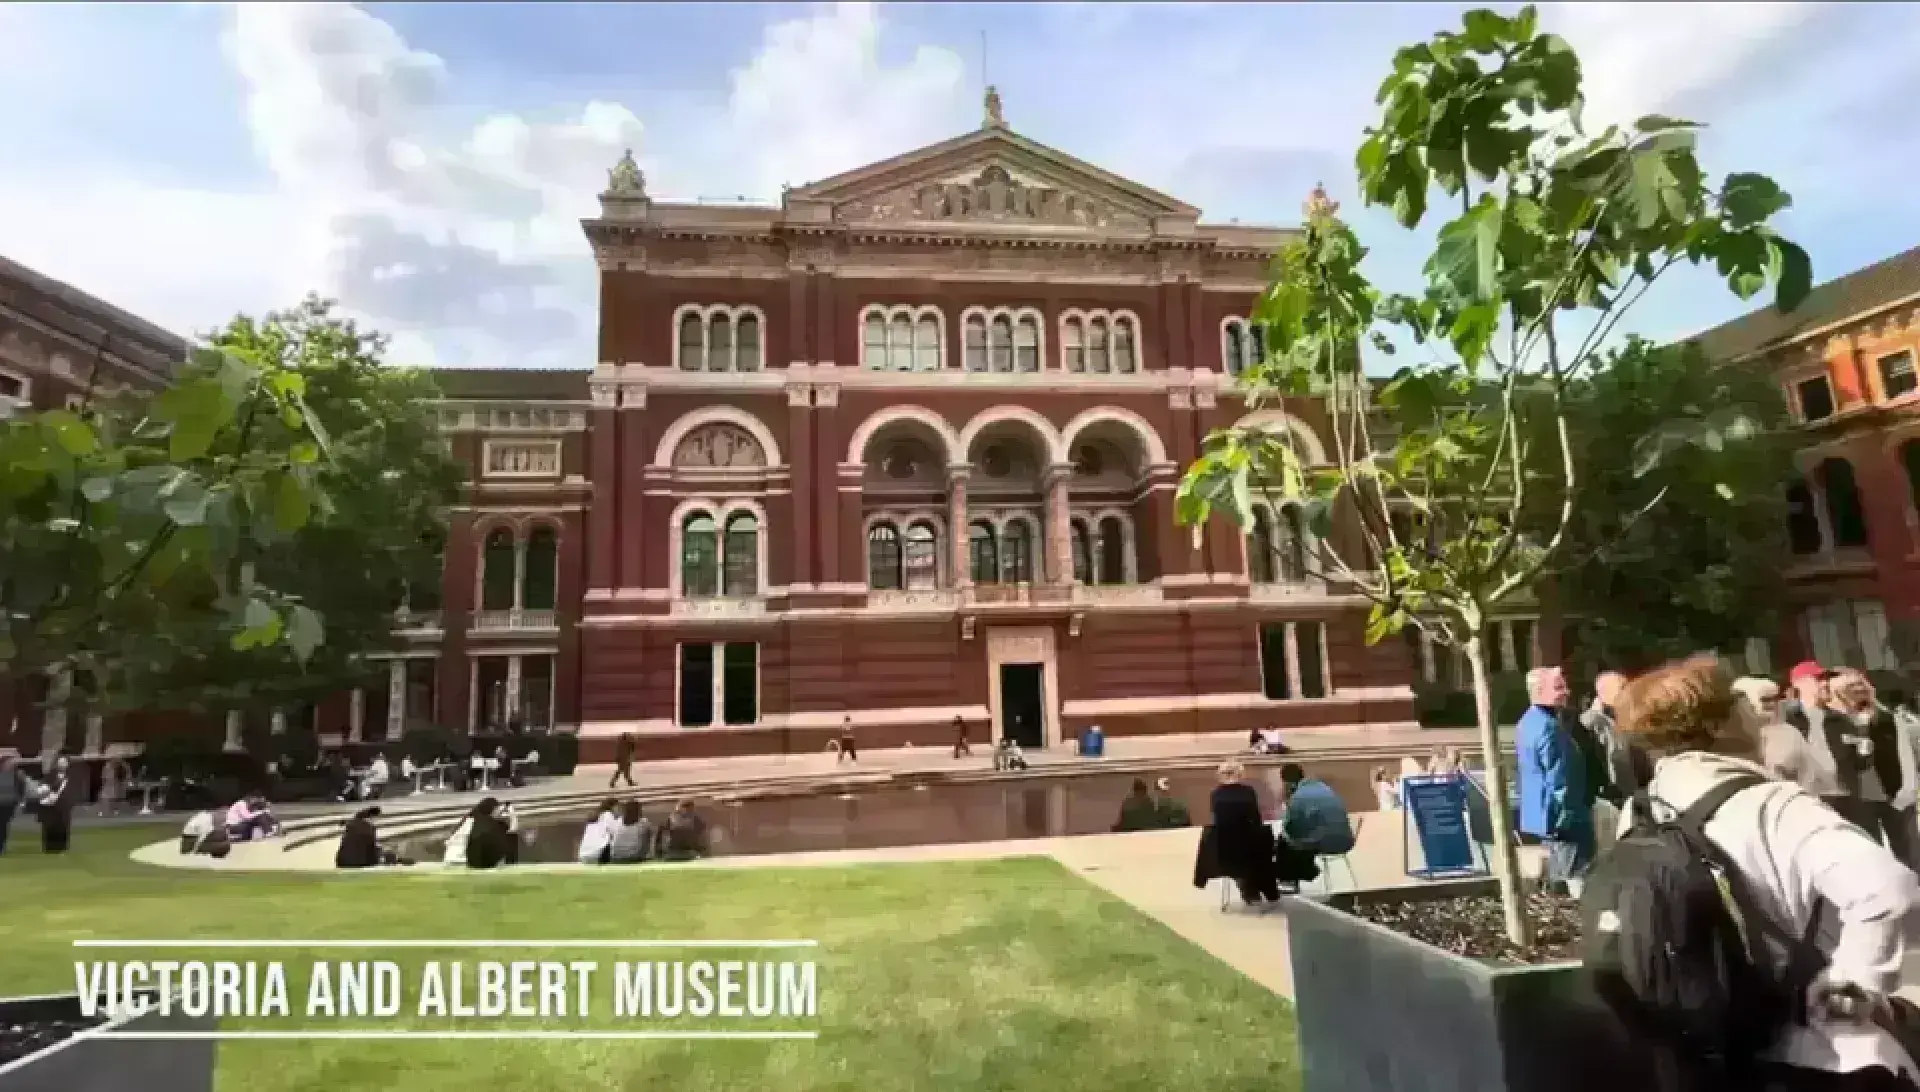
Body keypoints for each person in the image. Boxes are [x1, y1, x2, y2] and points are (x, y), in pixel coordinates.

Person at [1604, 654, 1920, 1090]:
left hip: (1707, 1052)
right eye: (1740, 703)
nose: (1752, 714)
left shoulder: (1640, 809)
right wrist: (1856, 984)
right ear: (1718, 725)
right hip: (1811, 1053)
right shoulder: (1773, 804)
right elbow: (1887, 887)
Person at [1826, 670, 1917, 871]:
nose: (1858, 691)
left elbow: (1900, 751)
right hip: (1860, 797)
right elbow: (1845, 758)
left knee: (1907, 851)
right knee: (1872, 852)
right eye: (1850, 688)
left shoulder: (1885, 718)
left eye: (1861, 685)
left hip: (1893, 793)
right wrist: (1860, 728)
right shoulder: (1833, 722)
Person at [1517, 665, 1594, 897]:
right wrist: (1568, 815)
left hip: (1542, 814)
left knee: (1560, 871)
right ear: (1540, 691)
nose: (1567, 691)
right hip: (1562, 816)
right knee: (1576, 873)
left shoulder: (1527, 722)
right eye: (1559, 687)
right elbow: (1560, 778)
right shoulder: (1549, 728)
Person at [1199, 760, 1286, 906]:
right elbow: (1256, 819)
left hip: (1225, 849)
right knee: (1265, 843)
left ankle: (1247, 887)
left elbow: (1217, 819)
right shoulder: (1248, 792)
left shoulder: (1215, 794)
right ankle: (1264, 889)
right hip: (1248, 847)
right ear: (1240, 774)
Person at [1277, 763, 1354, 884]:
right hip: (1346, 840)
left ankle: (1290, 880)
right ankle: (1308, 871)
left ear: (1287, 782)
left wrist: (1288, 805)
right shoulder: (1324, 788)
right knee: (1308, 836)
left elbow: (1291, 828)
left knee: (1285, 841)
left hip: (1326, 842)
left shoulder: (1299, 797)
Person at [1581, 671, 1634, 804]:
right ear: (1605, 692)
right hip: (1607, 797)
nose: (1627, 693)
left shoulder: (1617, 719)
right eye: (1622, 688)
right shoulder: (1591, 721)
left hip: (1624, 794)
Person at [447, 798, 517, 869]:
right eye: (497, 809)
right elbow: (512, 833)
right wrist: (513, 815)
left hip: (452, 858)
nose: (500, 812)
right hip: (462, 861)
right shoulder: (485, 824)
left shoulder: (471, 819)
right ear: (492, 810)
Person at [35, 754, 76, 854]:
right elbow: (42, 789)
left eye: (64, 762)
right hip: (50, 806)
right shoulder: (49, 775)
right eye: (60, 762)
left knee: (63, 826)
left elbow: (74, 791)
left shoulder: (72, 776)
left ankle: (62, 847)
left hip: (64, 806)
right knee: (50, 826)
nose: (62, 764)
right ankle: (49, 847)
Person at [576, 798, 620, 865]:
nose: (619, 810)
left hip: (584, 854)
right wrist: (619, 820)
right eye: (618, 807)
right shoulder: (608, 815)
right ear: (613, 807)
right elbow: (617, 832)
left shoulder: (594, 818)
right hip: (597, 853)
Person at [0, 754, 20, 857]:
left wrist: (19, 801)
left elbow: (20, 788)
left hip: (9, 803)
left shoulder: (16, 775)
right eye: (9, 762)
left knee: (3, 825)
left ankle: (2, 845)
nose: (11, 764)